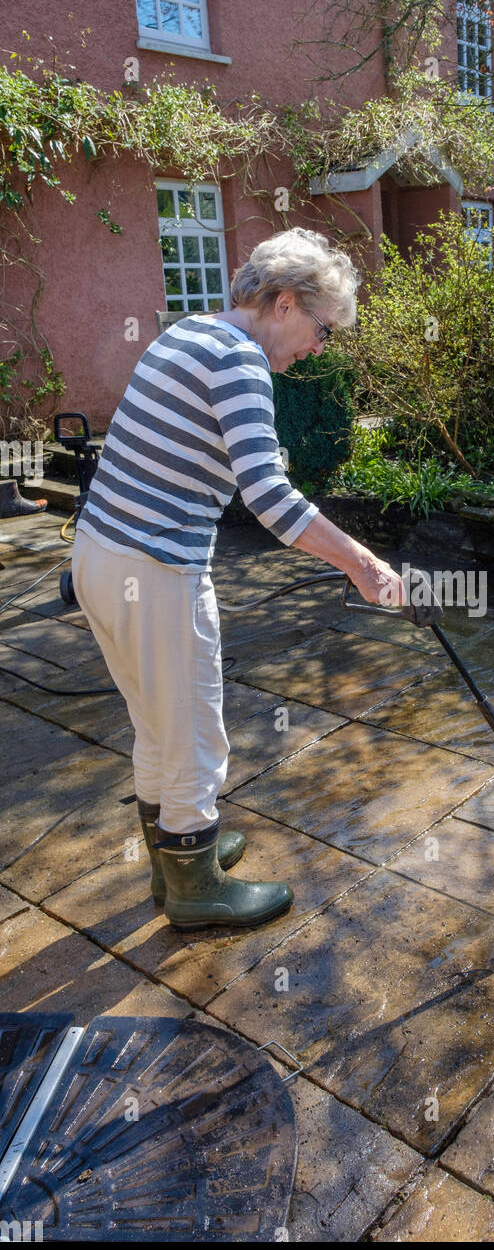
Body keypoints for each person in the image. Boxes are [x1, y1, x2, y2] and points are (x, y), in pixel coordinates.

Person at [70, 226, 405, 931]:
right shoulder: (240, 362)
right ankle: (196, 889)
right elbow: (271, 497)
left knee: (156, 723)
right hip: (155, 568)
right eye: (320, 329)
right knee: (192, 729)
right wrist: (362, 562)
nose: (318, 348)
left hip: (100, 554)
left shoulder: (190, 333)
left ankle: (177, 858)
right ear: (284, 303)